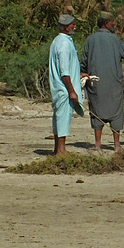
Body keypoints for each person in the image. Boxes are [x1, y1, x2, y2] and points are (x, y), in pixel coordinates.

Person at [80, 11, 124, 152]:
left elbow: (83, 62)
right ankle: (117, 146)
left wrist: (83, 74)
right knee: (116, 113)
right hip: (114, 84)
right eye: (112, 21)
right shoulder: (115, 40)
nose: (114, 23)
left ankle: (98, 145)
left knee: (96, 112)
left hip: (96, 84)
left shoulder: (90, 40)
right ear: (106, 23)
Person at [48, 14, 83, 155]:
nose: (74, 26)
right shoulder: (63, 44)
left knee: (58, 118)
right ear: (66, 26)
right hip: (64, 88)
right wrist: (72, 91)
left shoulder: (58, 41)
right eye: (72, 24)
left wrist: (80, 74)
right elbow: (64, 72)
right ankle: (61, 151)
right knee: (62, 118)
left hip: (60, 87)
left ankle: (58, 149)